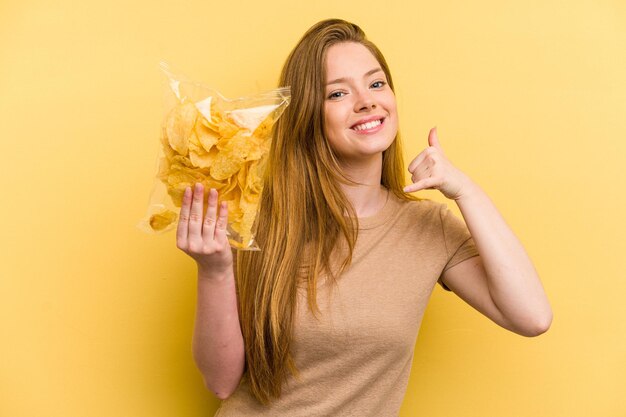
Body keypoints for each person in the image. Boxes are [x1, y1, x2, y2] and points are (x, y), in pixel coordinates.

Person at [175, 18, 553, 416]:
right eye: (338, 93)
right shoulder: (259, 220)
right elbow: (221, 381)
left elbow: (532, 316)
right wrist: (214, 270)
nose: (367, 101)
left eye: (376, 84)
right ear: (308, 116)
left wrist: (464, 190)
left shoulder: (429, 230)